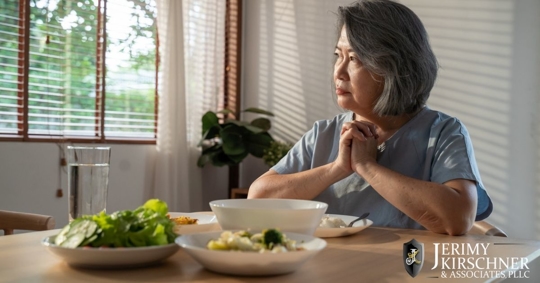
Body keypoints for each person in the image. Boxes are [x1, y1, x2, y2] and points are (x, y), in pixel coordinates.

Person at [247, 0, 492, 235]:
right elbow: (257, 199)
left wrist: (367, 167)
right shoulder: (323, 133)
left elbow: (459, 219)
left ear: (394, 68)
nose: (339, 72)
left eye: (353, 59)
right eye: (338, 55)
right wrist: (337, 168)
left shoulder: (443, 133)